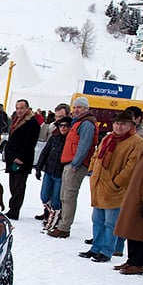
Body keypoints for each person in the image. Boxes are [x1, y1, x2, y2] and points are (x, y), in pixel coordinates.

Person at [79, 111, 143, 263]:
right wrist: (92, 170)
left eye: (122, 124)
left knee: (111, 223)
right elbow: (96, 155)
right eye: (116, 123)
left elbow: (131, 167)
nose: (118, 127)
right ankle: (95, 248)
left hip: (116, 190)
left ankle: (107, 251)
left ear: (131, 125)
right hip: (100, 186)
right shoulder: (109, 137)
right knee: (97, 220)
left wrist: (117, 182)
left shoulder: (137, 142)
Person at [48, 96, 98, 238]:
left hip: (75, 165)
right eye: (75, 107)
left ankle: (64, 227)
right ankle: (62, 223)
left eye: (80, 107)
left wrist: (76, 163)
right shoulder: (78, 122)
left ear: (86, 109)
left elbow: (84, 145)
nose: (76, 110)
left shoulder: (86, 123)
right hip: (70, 162)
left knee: (69, 196)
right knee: (64, 195)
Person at [3, 99, 41, 220]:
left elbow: (30, 143)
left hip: (21, 160)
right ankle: (12, 208)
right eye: (17, 108)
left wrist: (21, 157)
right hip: (12, 158)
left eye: (21, 108)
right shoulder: (17, 120)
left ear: (27, 109)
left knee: (18, 186)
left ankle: (14, 210)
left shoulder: (32, 123)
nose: (19, 111)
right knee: (13, 185)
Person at [35, 117, 70, 231]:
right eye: (61, 125)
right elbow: (44, 153)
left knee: (56, 200)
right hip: (49, 172)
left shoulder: (70, 141)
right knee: (44, 196)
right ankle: (51, 214)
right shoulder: (53, 138)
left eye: (66, 126)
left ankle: (53, 221)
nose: (63, 128)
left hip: (60, 175)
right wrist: (39, 168)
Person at [113, 150, 143, 274]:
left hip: (141, 198)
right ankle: (131, 260)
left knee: (140, 232)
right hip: (135, 195)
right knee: (131, 230)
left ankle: (138, 263)